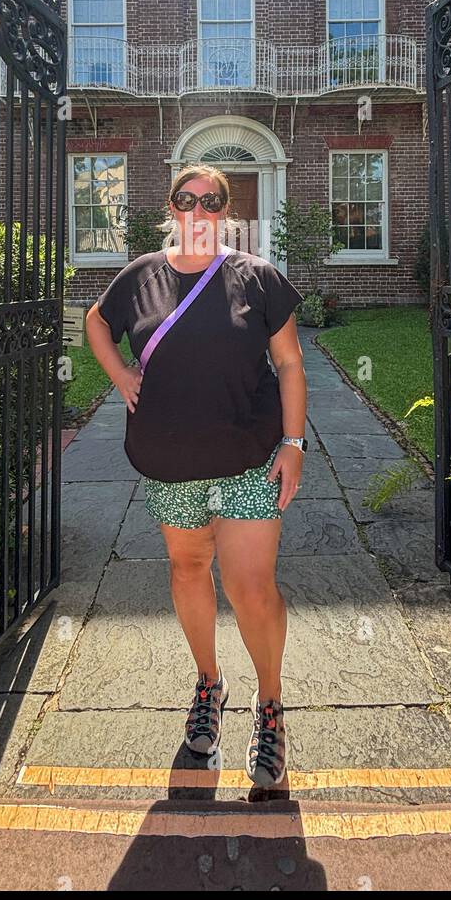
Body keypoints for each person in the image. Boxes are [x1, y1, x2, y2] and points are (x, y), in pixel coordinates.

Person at [85, 164, 308, 787]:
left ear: (225, 212)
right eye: (186, 198)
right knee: (187, 569)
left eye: (211, 201)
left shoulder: (256, 278)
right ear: (171, 206)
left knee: (251, 588)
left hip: (248, 457)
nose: (198, 209)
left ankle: (270, 705)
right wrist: (120, 375)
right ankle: (210, 682)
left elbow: (289, 364)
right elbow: (95, 321)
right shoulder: (140, 277)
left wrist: (293, 443)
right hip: (170, 462)